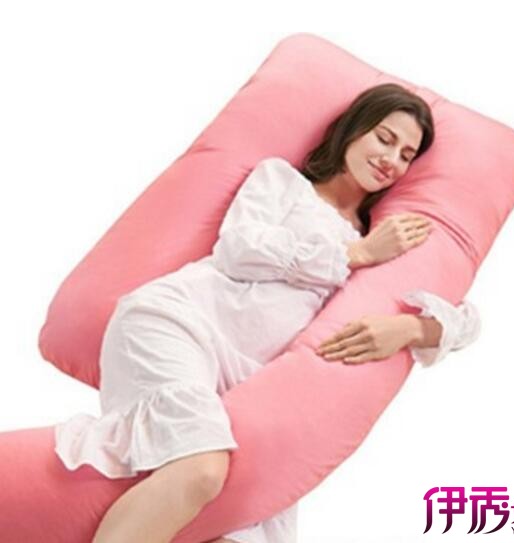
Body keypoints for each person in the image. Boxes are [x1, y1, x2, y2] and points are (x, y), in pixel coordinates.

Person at [53, 83, 481, 543]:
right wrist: (353, 254)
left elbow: (469, 320)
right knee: (200, 468)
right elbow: (238, 249)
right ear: (353, 129)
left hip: (249, 389)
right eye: (384, 138)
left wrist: (412, 327)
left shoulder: (382, 237)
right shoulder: (284, 183)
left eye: (406, 155)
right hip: (178, 325)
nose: (391, 159)